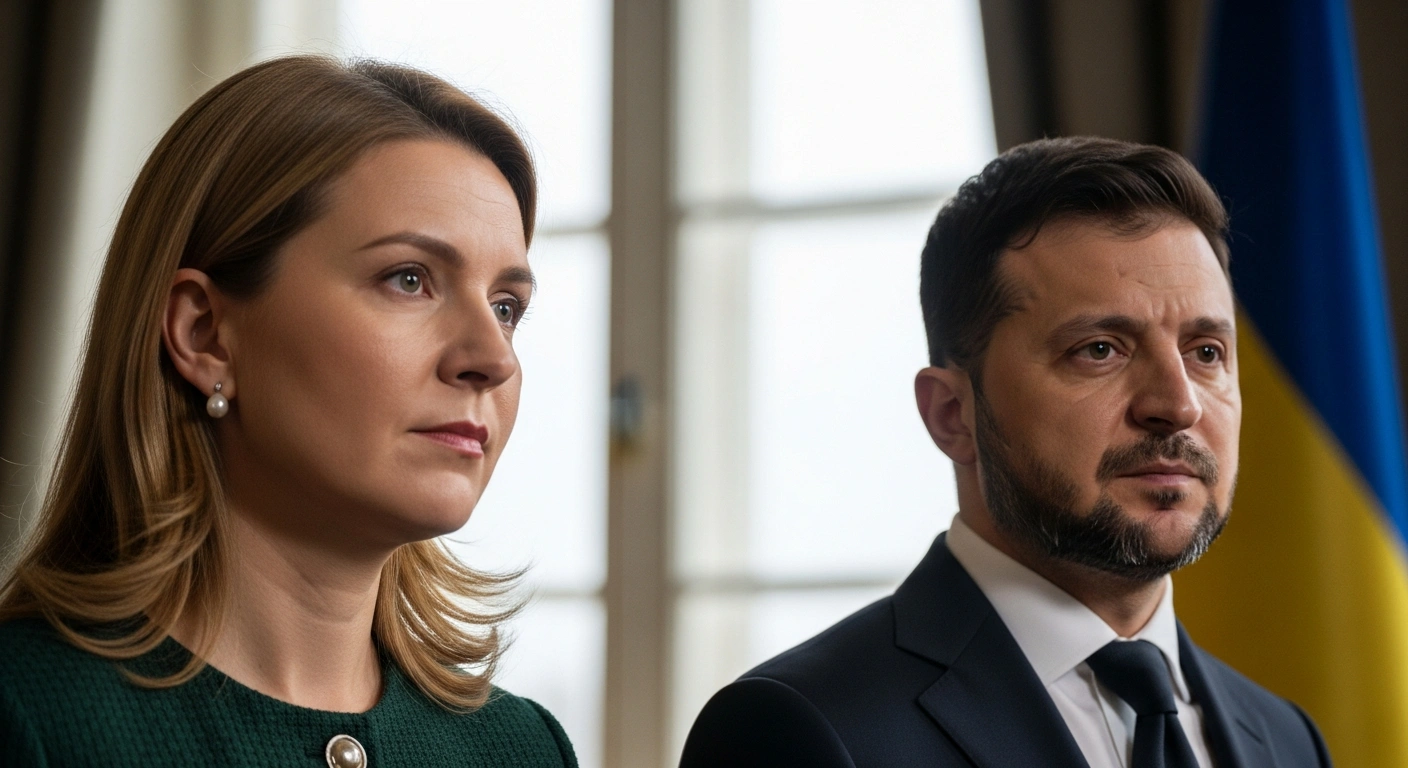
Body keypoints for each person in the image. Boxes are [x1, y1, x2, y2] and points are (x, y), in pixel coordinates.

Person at [680, 137, 1332, 767]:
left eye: (1206, 353)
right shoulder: (795, 732)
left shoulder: (1289, 741)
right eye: (1099, 349)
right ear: (952, 415)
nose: (1179, 404)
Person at [0, 56, 576, 767]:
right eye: (409, 280)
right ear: (203, 334)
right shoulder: (25, 714)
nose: (494, 358)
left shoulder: (521, 750)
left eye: (505, 306)